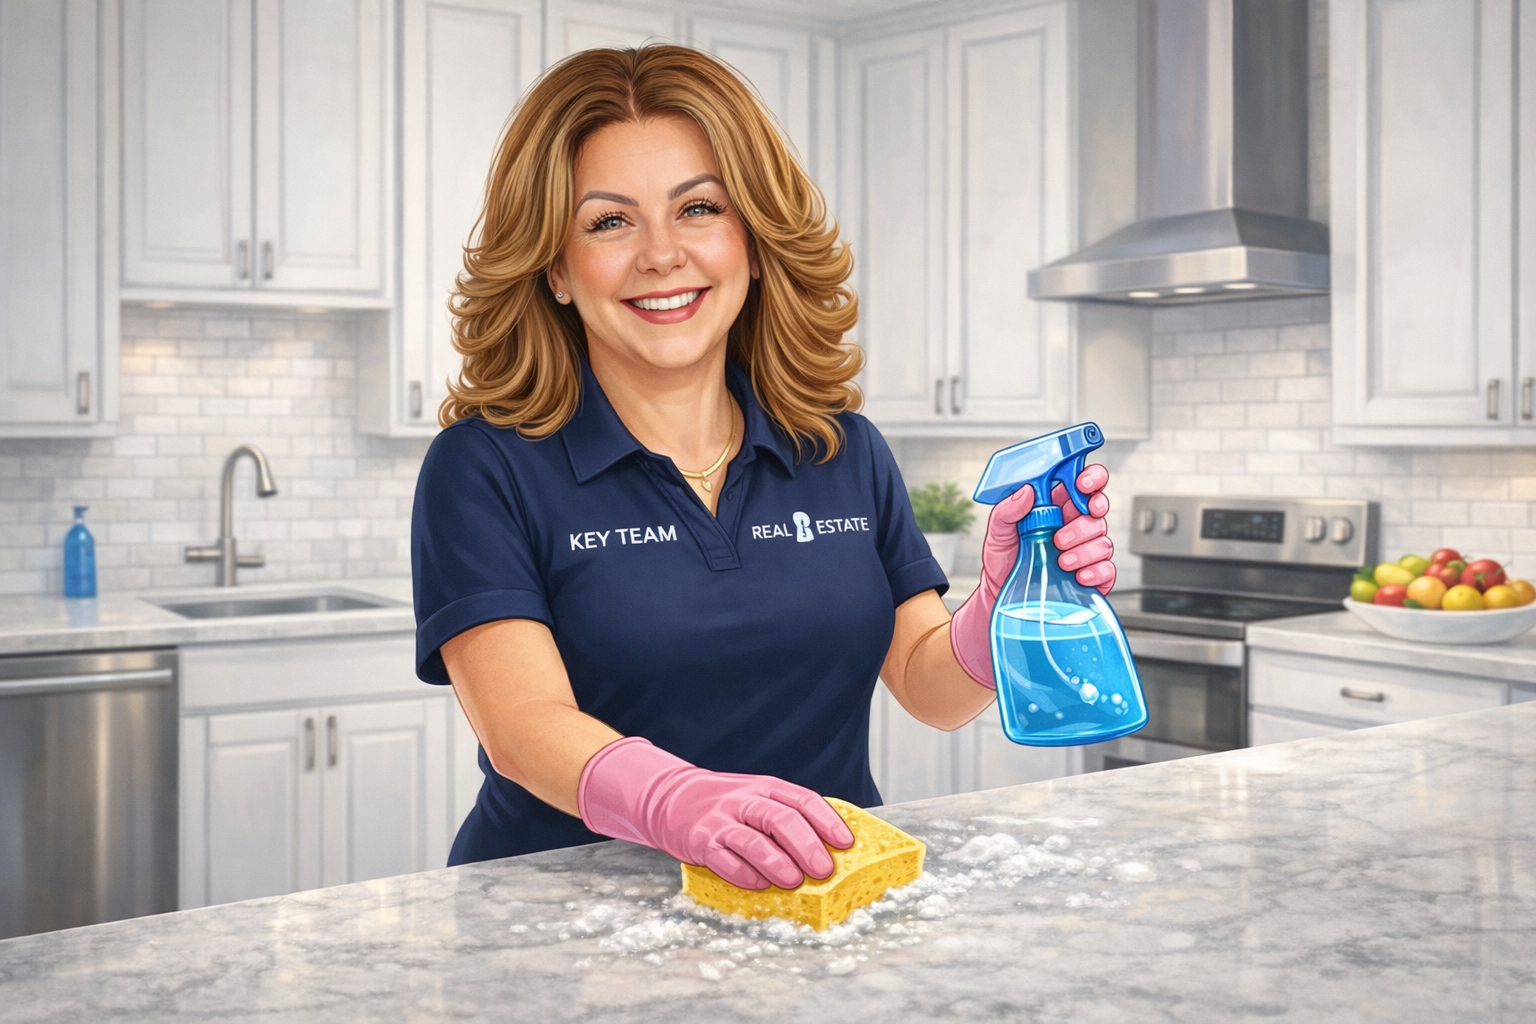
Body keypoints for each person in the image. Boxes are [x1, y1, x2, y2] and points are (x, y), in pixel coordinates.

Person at [411, 45, 1116, 890]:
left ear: (752, 238)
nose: (662, 254)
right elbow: (523, 727)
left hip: (813, 899)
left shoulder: (839, 446)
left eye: (699, 208)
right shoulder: (485, 467)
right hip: (556, 920)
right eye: (609, 221)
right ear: (556, 268)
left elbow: (931, 691)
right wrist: (680, 803)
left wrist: (1001, 602)